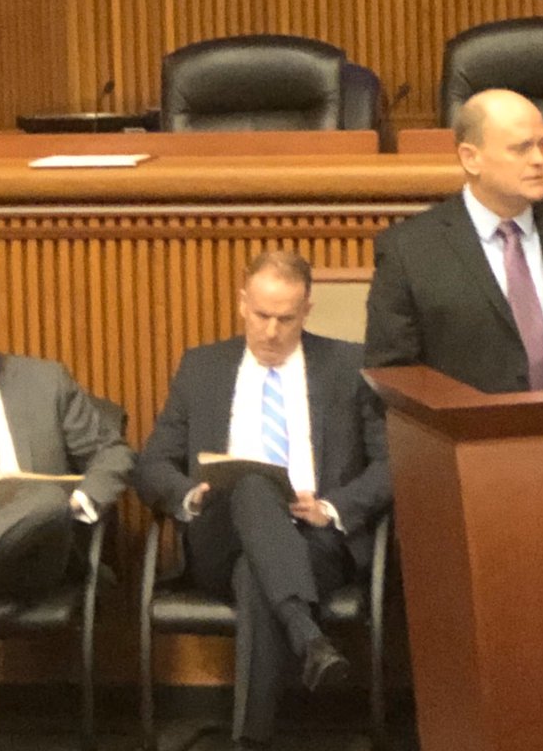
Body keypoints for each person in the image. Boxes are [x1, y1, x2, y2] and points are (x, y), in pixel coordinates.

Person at [134, 251, 390, 748]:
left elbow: (391, 464)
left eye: (286, 319)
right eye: (261, 316)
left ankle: (252, 738)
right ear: (242, 304)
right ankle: (308, 637)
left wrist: (331, 508)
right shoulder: (203, 367)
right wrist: (190, 495)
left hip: (313, 539)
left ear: (307, 310)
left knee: (256, 573)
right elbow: (152, 464)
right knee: (252, 484)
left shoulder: (347, 366)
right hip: (220, 534)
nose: (271, 332)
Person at [363, 88, 543, 392]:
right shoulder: (409, 250)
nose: (539, 160)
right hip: (464, 423)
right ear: (471, 158)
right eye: (521, 148)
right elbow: (392, 377)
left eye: (542, 145)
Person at [0, 299, 133, 633]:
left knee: (49, 497)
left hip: (37, 553)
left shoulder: (45, 382)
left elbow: (112, 453)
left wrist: (76, 502)